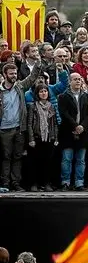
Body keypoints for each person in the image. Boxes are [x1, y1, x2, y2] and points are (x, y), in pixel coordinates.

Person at [0, 63, 40, 192]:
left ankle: (16, 183)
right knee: (6, 157)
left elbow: (32, 77)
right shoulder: (0, 91)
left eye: (15, 73)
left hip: (19, 129)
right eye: (11, 73)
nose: (14, 76)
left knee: (17, 157)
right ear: (4, 75)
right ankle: (5, 183)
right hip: (4, 129)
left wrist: (38, 63)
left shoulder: (20, 87)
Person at [58, 73, 88, 191]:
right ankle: (65, 182)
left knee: (81, 159)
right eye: (75, 79)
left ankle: (79, 183)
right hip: (68, 131)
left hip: (83, 132)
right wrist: (75, 126)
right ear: (70, 81)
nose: (78, 81)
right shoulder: (63, 96)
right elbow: (64, 113)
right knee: (67, 158)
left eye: (79, 79)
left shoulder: (87, 97)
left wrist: (82, 126)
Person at [27, 84, 59, 192]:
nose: (44, 93)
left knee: (48, 162)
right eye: (41, 91)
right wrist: (31, 139)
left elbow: (54, 123)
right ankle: (34, 183)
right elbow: (30, 123)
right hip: (37, 137)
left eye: (45, 91)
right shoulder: (33, 106)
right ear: (37, 94)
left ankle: (46, 183)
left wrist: (56, 137)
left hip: (49, 138)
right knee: (35, 162)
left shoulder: (52, 106)